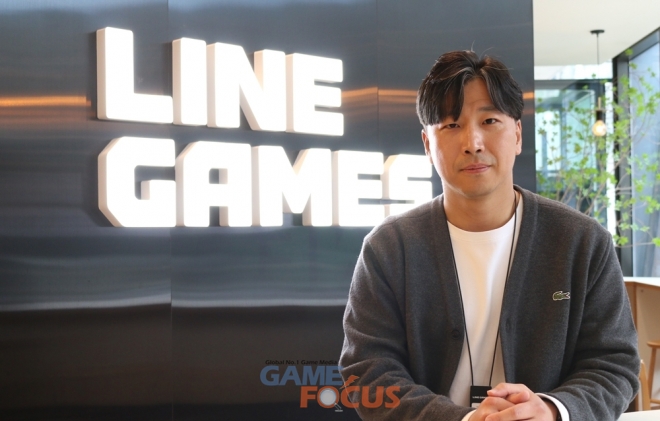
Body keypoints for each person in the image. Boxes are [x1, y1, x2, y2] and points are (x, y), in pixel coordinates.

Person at [338, 50, 640, 421]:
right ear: (428, 145)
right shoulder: (389, 248)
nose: (473, 142)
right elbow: (368, 371)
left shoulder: (582, 241)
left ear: (517, 134)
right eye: (452, 125)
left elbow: (614, 363)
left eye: (490, 120)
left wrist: (553, 410)